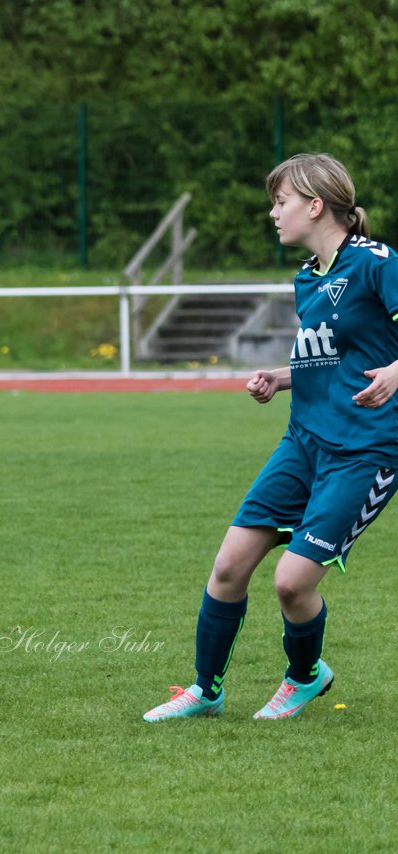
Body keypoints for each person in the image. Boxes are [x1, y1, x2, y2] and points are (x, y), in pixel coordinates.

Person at [144, 152, 398, 722]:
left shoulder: (378, 262)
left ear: (315, 205)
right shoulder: (307, 277)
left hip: (365, 452)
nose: (272, 214)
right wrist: (281, 378)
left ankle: (306, 677)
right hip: (303, 442)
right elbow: (335, 356)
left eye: (280, 202)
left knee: (291, 584)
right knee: (229, 566)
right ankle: (205, 691)